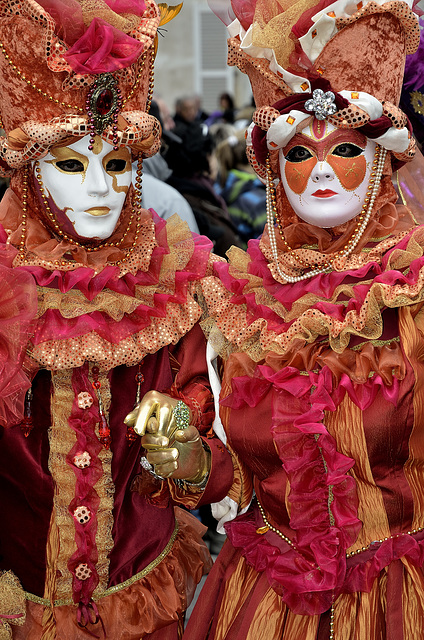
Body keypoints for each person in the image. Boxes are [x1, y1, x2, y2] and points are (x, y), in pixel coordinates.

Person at [134, 0, 424, 638]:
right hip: (267, 601)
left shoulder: (414, 297)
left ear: (380, 160)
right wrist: (186, 456)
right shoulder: (240, 309)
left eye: (345, 147)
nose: (320, 167)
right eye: (298, 152)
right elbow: (244, 473)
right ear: (274, 172)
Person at [0, 1, 233, 638]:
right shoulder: (4, 290)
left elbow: (211, 466)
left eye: (119, 163)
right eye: (72, 164)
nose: (101, 188)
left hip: (142, 606)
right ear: (29, 169)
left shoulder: (170, 290)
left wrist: (180, 451)